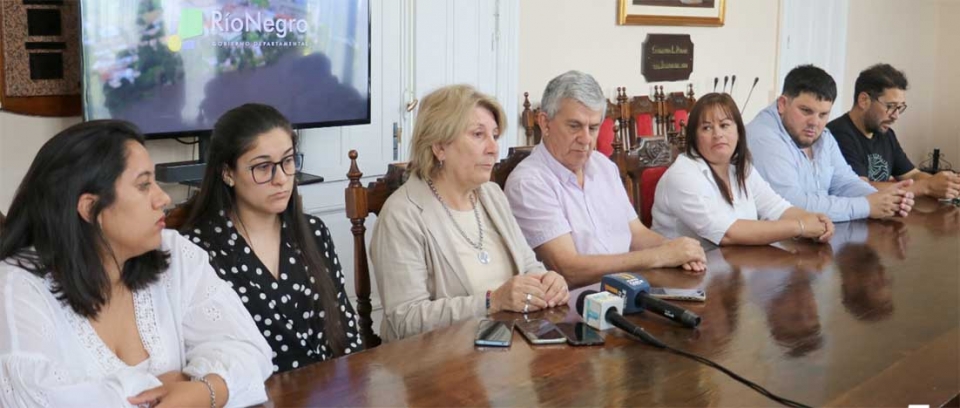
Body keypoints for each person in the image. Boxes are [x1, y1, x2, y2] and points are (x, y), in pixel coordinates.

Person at [0, 120, 272, 408]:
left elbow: (250, 351)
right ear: (90, 208)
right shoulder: (15, 286)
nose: (163, 198)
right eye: (144, 185)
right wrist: (168, 386)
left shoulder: (174, 252)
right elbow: (38, 400)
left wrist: (202, 391)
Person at [371, 84, 570, 342]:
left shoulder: (492, 195)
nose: (493, 148)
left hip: (506, 345)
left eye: (495, 135)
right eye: (478, 134)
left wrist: (548, 281)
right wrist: (491, 302)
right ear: (439, 147)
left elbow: (528, 265)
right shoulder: (402, 214)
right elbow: (405, 320)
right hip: (440, 359)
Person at [179, 103, 361, 373]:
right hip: (253, 393)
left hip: (332, 388)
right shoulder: (197, 251)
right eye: (263, 167)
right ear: (227, 173)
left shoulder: (314, 231)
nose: (281, 179)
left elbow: (346, 332)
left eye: (288, 161)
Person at [504, 70, 706, 288]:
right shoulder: (529, 182)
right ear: (545, 123)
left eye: (593, 128)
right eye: (574, 126)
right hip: (577, 301)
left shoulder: (603, 166)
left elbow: (636, 235)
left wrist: (680, 252)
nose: (586, 139)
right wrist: (661, 256)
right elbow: (569, 269)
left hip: (630, 287)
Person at [652, 93, 835, 247]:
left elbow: (775, 207)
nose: (718, 134)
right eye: (707, 128)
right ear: (694, 137)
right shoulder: (683, 174)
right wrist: (800, 227)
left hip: (732, 265)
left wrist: (815, 220)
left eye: (724, 125)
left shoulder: (740, 166)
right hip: (682, 273)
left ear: (739, 132)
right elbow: (727, 233)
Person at [746, 64, 915, 222]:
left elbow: (845, 183)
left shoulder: (823, 136)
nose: (814, 122)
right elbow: (790, 205)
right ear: (782, 104)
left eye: (823, 114)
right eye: (806, 111)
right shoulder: (763, 137)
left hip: (813, 234)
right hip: (773, 241)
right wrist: (867, 206)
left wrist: (885, 200)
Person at [827, 63, 960, 199]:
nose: (896, 116)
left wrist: (950, 184)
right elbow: (859, 188)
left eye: (900, 107)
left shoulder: (885, 133)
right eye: (890, 106)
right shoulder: (837, 135)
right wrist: (927, 186)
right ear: (864, 100)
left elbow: (912, 175)